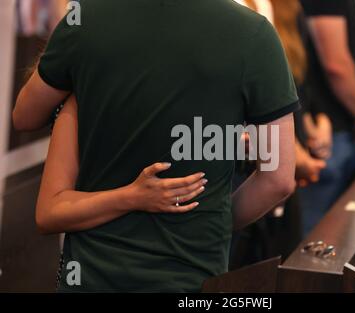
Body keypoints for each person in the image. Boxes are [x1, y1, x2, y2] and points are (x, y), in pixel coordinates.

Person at [13, 0, 298, 292]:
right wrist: (209, 220)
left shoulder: (85, 18)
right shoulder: (254, 33)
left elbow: (24, 115)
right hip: (191, 278)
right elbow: (278, 179)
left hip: (92, 277)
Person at [298, 0, 355, 236]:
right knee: (315, 243)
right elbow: (337, 65)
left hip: (340, 129)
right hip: (325, 132)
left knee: (338, 235)